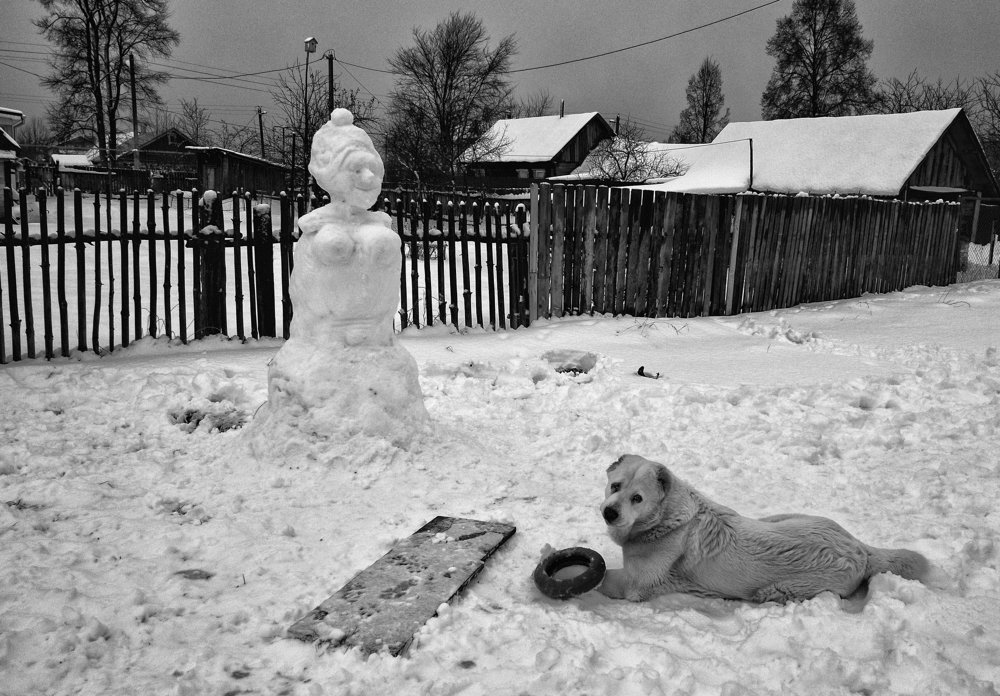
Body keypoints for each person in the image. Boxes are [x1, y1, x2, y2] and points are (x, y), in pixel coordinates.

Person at [290, 109, 400, 347]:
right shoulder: (317, 226)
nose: (369, 178)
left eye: (373, 169)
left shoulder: (378, 222)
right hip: (326, 338)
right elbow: (304, 290)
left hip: (376, 336)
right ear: (331, 173)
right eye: (357, 170)